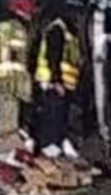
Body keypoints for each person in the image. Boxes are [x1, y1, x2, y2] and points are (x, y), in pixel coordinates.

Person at [31, 11, 82, 158]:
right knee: (52, 117)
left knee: (57, 117)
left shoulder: (66, 33)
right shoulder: (58, 30)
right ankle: (49, 150)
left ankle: (53, 149)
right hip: (53, 83)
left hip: (60, 84)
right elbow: (53, 56)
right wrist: (56, 80)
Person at [0, 0, 37, 137]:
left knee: (5, 109)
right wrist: (26, 87)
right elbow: (21, 58)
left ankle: (5, 142)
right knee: (11, 113)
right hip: (12, 77)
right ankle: (8, 145)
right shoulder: (17, 29)